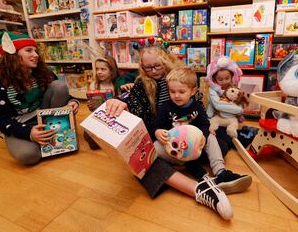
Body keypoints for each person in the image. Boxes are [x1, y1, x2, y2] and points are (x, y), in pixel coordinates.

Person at [104, 45, 235, 220]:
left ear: (165, 61)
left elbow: (197, 108)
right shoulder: (142, 84)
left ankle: (204, 169)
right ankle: (200, 186)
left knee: (221, 144)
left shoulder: (180, 76)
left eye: (157, 66)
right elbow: (132, 101)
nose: (153, 71)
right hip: (165, 138)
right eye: (147, 68)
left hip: (192, 135)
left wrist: (204, 130)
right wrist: (120, 101)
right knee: (143, 159)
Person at [153, 67, 252, 194]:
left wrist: (204, 137)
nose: (176, 95)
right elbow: (156, 126)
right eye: (172, 91)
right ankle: (189, 164)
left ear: (193, 91)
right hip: (176, 147)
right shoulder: (165, 107)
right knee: (155, 147)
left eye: (181, 92)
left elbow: (205, 124)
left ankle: (221, 173)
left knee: (211, 135)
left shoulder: (197, 106)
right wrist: (158, 132)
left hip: (194, 144)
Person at [0, 32, 79, 165]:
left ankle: (54, 127)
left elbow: (61, 93)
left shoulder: (43, 72)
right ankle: (38, 136)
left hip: (44, 115)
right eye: (29, 50)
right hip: (18, 123)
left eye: (35, 51)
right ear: (13, 54)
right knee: (29, 156)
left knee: (59, 86)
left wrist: (72, 101)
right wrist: (28, 132)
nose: (36, 55)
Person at [84, 56, 137, 149]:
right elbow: (93, 110)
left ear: (112, 71)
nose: (99, 72)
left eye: (103, 69)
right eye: (97, 69)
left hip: (116, 118)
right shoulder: (94, 85)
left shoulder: (118, 84)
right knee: (87, 135)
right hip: (101, 117)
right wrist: (91, 106)